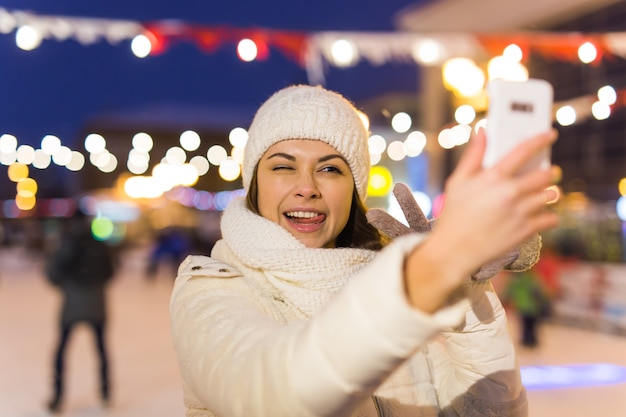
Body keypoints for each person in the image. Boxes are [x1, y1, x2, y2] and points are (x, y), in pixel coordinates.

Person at [169, 84, 560, 416]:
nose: (307, 186)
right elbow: (274, 391)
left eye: (330, 169)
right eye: (283, 166)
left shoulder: (385, 283)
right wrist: (425, 273)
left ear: (354, 190)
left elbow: (488, 410)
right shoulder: (210, 286)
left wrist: (464, 293)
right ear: (255, 182)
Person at [45, 209, 115, 413]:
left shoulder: (66, 244)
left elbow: (52, 274)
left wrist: (69, 285)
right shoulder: (100, 245)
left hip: (72, 304)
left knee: (61, 351)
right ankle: (106, 393)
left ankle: (58, 397)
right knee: (101, 349)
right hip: (97, 304)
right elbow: (111, 272)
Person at [504, 268, 552, 348]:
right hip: (532, 306)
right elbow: (537, 291)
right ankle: (531, 341)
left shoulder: (515, 282)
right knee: (531, 325)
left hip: (523, 306)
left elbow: (509, 292)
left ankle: (527, 341)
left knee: (526, 325)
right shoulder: (529, 280)